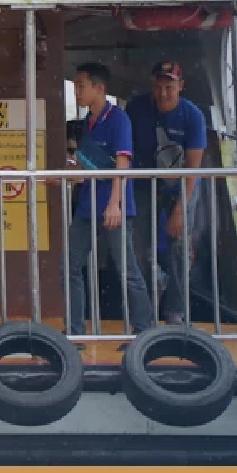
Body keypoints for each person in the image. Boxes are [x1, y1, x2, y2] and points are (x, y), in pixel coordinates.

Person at [65, 62, 154, 336]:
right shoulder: (87, 123)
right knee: (69, 267)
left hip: (112, 206)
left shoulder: (118, 119)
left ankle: (145, 332)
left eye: (81, 86)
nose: (77, 91)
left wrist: (115, 203)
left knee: (127, 271)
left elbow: (121, 163)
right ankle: (75, 331)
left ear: (99, 88)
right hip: (86, 207)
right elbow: (86, 167)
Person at [124, 60, 207, 325]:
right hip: (143, 185)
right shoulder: (136, 108)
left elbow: (193, 168)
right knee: (138, 248)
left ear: (180, 86)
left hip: (181, 185)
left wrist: (180, 208)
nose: (163, 92)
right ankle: (146, 306)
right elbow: (124, 148)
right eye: (158, 86)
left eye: (169, 86)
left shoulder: (193, 116)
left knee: (179, 249)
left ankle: (175, 311)